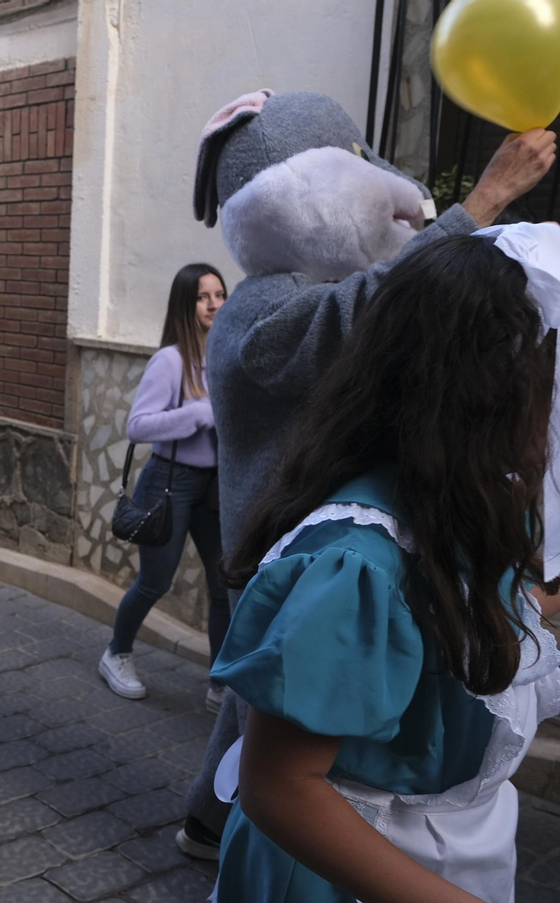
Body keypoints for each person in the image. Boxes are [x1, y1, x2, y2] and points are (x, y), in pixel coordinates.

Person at [177, 89, 555, 861]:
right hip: (307, 556)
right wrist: (479, 204)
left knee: (267, 705)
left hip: (327, 549)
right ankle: (261, 842)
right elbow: (365, 312)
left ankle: (213, 823)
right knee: (289, 735)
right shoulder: (259, 307)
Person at [98, 263, 230, 709]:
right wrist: (196, 413)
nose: (213, 304)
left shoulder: (227, 354)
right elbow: (138, 427)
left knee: (223, 585)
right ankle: (116, 653)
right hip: (170, 483)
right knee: (155, 582)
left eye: (219, 294)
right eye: (202, 297)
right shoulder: (171, 360)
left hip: (215, 487)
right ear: (185, 304)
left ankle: (220, 683)